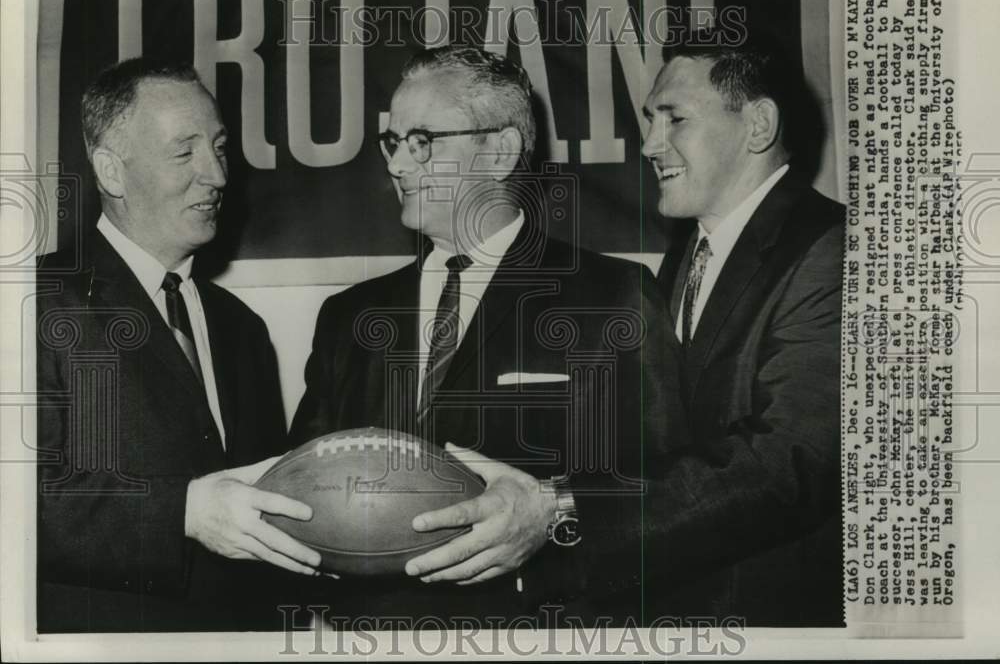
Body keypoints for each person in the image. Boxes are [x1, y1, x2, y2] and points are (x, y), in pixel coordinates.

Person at [290, 45, 677, 626]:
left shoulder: (612, 295)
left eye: (422, 141)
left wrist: (552, 515)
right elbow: (303, 480)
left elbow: (666, 487)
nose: (396, 165)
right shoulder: (349, 314)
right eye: (392, 144)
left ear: (499, 151)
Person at [36, 59, 321, 632]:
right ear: (112, 172)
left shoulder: (241, 326)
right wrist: (185, 512)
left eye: (218, 148)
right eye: (184, 152)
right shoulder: (33, 303)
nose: (216, 175)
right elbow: (16, 504)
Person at [634, 41, 844, 626]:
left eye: (674, 117)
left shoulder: (833, 249)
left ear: (758, 124)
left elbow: (788, 464)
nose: (651, 144)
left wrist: (566, 506)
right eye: (650, 120)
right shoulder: (690, 252)